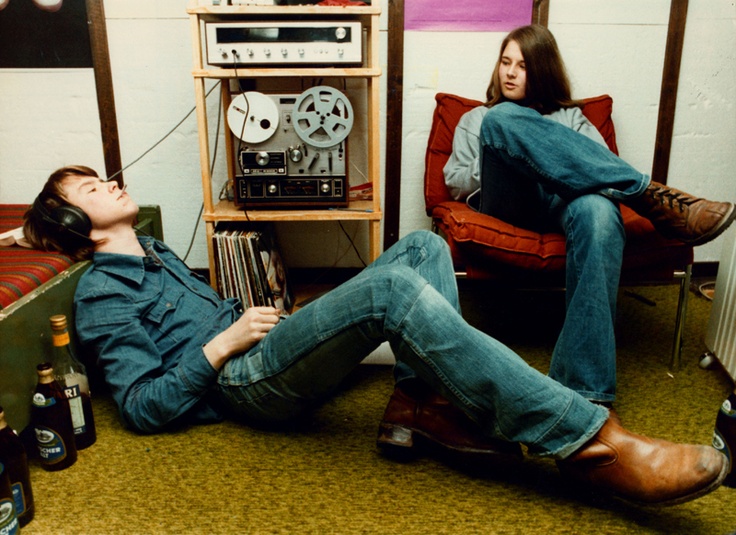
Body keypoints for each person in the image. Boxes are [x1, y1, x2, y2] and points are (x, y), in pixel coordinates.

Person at [23, 165, 729, 507]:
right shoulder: (101, 293)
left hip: (258, 345)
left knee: (417, 251)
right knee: (393, 291)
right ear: (75, 222)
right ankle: (590, 439)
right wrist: (227, 341)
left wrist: (257, 317)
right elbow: (143, 405)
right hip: (240, 383)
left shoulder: (154, 251)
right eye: (89, 186)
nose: (108, 182)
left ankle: (417, 406)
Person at [444, 24, 736, 409]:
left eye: (523, 65)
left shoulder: (571, 118)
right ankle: (650, 195)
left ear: (543, 70)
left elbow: (602, 171)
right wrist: (507, 154)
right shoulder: (480, 118)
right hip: (509, 201)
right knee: (503, 121)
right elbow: (455, 181)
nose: (510, 72)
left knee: (599, 210)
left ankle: (585, 388)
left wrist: (555, 156)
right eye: (505, 62)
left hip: (564, 201)